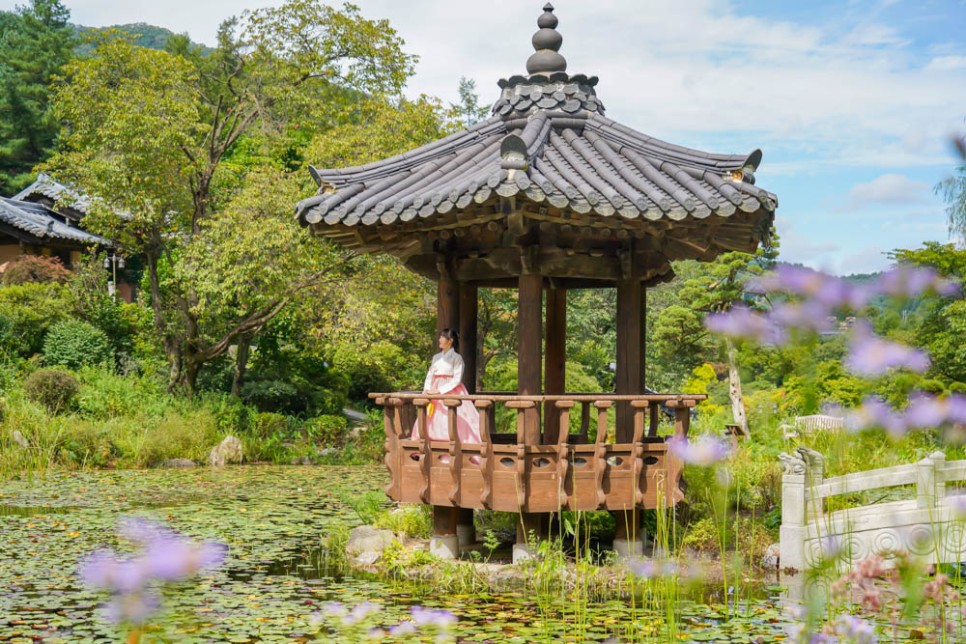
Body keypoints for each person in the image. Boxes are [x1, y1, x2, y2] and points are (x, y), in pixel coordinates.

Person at [411, 329, 481, 443]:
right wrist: (427, 389)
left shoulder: (457, 358)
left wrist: (440, 391)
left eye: (442, 337)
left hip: (451, 390)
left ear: (450, 340)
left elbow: (457, 380)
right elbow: (430, 375)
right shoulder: (436, 357)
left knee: (451, 419)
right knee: (430, 418)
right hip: (434, 390)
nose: (439, 339)